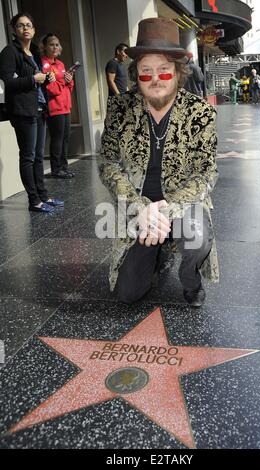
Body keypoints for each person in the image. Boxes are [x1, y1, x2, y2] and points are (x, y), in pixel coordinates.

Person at [99, 18, 219, 308]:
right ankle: (157, 253)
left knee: (197, 237)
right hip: (138, 205)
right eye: (146, 72)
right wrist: (140, 209)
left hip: (181, 202)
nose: (155, 79)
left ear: (178, 73)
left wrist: (166, 211)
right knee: (128, 294)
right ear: (136, 74)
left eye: (164, 72)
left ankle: (190, 280)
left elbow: (207, 171)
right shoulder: (119, 109)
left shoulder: (200, 112)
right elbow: (108, 164)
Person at [0, 12, 63, 213]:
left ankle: (43, 196)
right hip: (22, 111)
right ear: (14, 30)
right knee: (27, 156)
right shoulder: (10, 52)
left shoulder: (35, 52)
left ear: (34, 30)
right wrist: (33, 80)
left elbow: (40, 77)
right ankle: (34, 200)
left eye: (28, 25)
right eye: (20, 25)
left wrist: (47, 78)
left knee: (37, 157)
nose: (25, 28)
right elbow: (8, 83)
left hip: (39, 108)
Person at [41, 33, 75, 179]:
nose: (55, 47)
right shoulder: (44, 64)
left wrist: (69, 79)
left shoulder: (60, 64)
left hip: (65, 105)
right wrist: (63, 83)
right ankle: (56, 169)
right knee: (57, 138)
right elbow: (51, 88)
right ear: (44, 47)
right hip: (54, 107)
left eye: (57, 44)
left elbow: (68, 87)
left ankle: (64, 167)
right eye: (51, 44)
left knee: (65, 138)